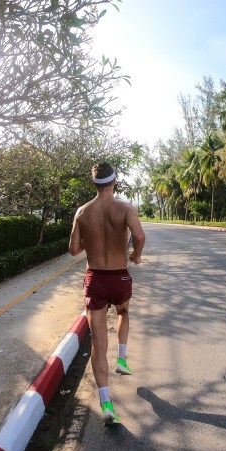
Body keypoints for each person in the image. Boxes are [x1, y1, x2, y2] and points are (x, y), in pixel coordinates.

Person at [69, 163, 145, 424]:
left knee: (98, 344)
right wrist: (136, 255)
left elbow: (74, 249)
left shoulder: (82, 212)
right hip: (119, 276)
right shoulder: (126, 208)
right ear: (115, 182)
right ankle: (122, 358)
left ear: (94, 184)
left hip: (95, 280)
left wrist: (92, 239)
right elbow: (139, 236)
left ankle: (106, 402)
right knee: (123, 312)